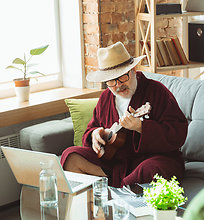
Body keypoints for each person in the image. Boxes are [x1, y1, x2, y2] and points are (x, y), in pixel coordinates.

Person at [61, 41, 188, 187]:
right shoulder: (105, 98)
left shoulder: (156, 91)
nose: (119, 85)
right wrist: (94, 134)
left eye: (122, 77)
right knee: (70, 156)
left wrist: (142, 127)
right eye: (111, 81)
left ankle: (120, 189)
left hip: (153, 159)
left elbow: (178, 132)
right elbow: (92, 129)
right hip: (115, 163)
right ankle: (100, 200)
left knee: (151, 170)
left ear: (133, 69)